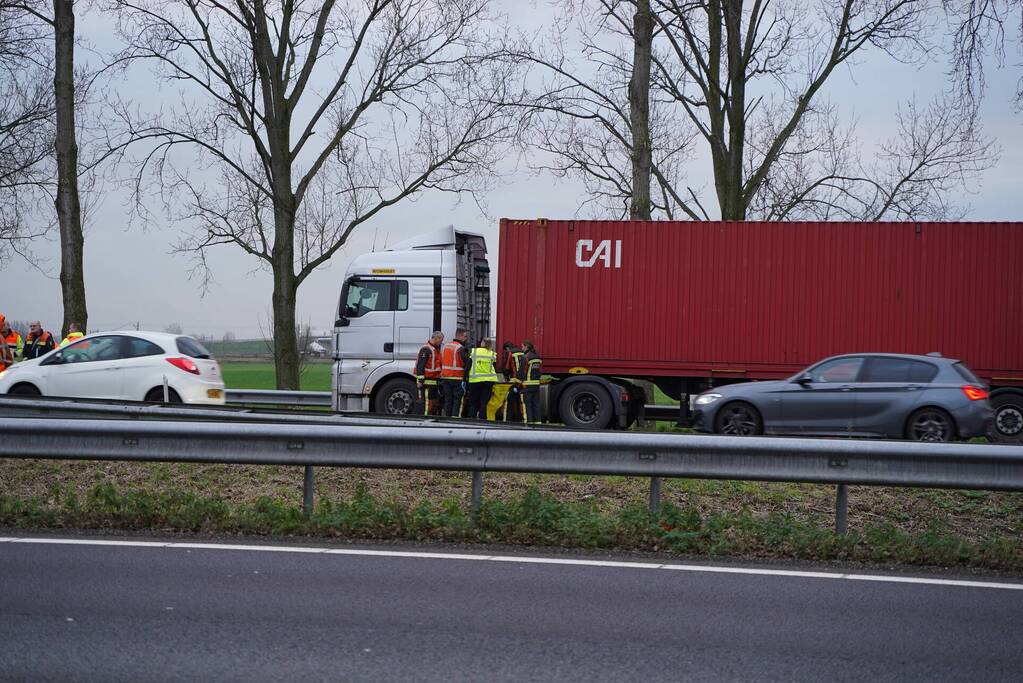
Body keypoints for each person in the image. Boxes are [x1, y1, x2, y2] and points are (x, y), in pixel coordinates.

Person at [465, 337, 498, 419]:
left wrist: (464, 378)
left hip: (475, 381)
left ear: (482, 343)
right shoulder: (492, 354)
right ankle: (483, 419)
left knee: (473, 401)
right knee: (484, 402)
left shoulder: (474, 351)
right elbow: (494, 367)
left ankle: (472, 418)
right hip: (488, 381)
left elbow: (468, 366)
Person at [439, 329, 470, 417]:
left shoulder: (445, 346)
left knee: (448, 400)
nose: (466, 339)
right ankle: (455, 419)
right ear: (459, 336)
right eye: (465, 336)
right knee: (458, 400)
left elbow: (441, 361)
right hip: (457, 378)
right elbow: (465, 363)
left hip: (445, 378)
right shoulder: (460, 348)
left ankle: (447, 418)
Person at [414, 331, 444, 415]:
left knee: (432, 402)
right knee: (428, 402)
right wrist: (420, 380)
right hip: (427, 381)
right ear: (436, 338)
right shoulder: (426, 349)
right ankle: (425, 419)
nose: (441, 342)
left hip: (433, 380)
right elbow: (420, 365)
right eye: (441, 340)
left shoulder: (435, 349)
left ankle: (429, 417)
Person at [520, 339, 543, 424]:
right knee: (536, 405)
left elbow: (522, 372)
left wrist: (518, 384)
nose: (521, 348)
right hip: (536, 385)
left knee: (527, 406)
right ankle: (538, 423)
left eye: (522, 346)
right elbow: (540, 371)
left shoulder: (525, 357)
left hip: (527, 385)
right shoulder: (537, 357)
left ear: (526, 347)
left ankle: (528, 423)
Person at [501, 341, 525, 422]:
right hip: (523, 381)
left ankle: (507, 420)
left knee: (509, 401)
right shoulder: (523, 352)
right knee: (520, 401)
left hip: (513, 381)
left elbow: (507, 367)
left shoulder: (510, 353)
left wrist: (506, 377)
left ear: (507, 348)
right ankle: (520, 419)